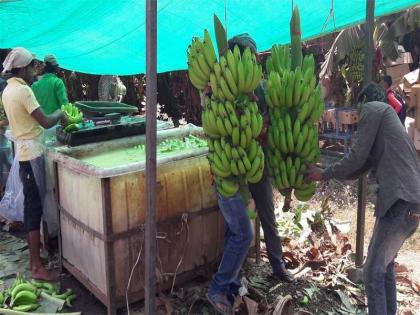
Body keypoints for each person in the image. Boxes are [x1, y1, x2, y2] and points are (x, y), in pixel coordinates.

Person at [307, 82, 420, 315]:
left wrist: (325, 173)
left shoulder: (373, 109)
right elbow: (362, 165)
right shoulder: (387, 119)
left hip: (401, 201)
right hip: (408, 202)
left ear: (363, 101)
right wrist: (326, 172)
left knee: (372, 273)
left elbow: (357, 156)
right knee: (385, 268)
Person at [228, 34, 295, 282]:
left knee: (267, 215)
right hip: (234, 160)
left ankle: (277, 265)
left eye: (251, 55)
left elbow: (272, 117)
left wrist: (262, 124)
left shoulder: (261, 86)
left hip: (259, 160)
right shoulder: (227, 85)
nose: (249, 59)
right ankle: (235, 270)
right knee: (237, 222)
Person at [2, 47, 67, 281]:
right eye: (31, 66)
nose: (34, 70)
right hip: (32, 153)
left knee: (34, 205)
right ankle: (36, 265)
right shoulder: (24, 91)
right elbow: (46, 121)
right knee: (34, 208)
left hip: (24, 151)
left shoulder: (8, 91)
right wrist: (61, 113)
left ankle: (38, 258)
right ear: (21, 69)